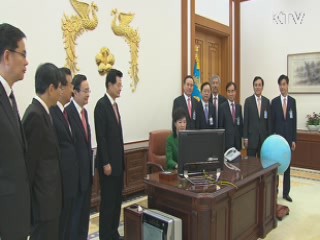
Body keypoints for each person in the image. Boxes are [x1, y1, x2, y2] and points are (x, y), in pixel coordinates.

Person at [22, 63, 62, 240]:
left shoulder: (45, 113)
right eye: (59, 87)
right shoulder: (35, 115)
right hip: (42, 205)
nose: (61, 92)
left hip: (50, 202)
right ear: (51, 88)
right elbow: (29, 166)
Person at [0, 23, 31, 240]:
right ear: (7, 56)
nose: (27, 61)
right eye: (23, 54)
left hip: (15, 215)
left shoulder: (9, 97)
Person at [94, 69, 125, 240]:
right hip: (108, 165)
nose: (121, 88)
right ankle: (105, 235)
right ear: (110, 85)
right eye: (118, 84)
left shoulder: (114, 105)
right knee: (108, 203)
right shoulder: (101, 106)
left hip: (118, 164)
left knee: (117, 201)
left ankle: (114, 232)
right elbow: (101, 137)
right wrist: (105, 162)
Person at [50, 67, 78, 240]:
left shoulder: (64, 113)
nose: (72, 90)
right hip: (61, 185)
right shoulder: (52, 113)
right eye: (70, 85)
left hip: (70, 184)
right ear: (60, 88)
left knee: (68, 227)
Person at [65, 74, 92, 240]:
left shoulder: (85, 113)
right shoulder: (67, 113)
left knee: (84, 219)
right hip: (75, 179)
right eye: (85, 91)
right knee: (73, 221)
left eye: (89, 90)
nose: (88, 94)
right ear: (74, 92)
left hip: (86, 176)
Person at [271, 74, 297, 202]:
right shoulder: (274, 102)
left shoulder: (292, 101)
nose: (282, 87)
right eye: (280, 84)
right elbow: (271, 122)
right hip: (277, 141)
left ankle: (286, 193)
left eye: (284, 84)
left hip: (288, 141)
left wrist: (294, 140)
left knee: (287, 167)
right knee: (276, 167)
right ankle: (274, 190)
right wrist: (272, 139)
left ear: (287, 85)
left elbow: (294, 122)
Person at [243, 76, 271, 157]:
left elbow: (269, 122)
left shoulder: (267, 101)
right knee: (251, 164)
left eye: (259, 85)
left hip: (263, 139)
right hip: (251, 139)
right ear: (253, 87)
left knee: (261, 163)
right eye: (256, 85)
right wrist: (245, 137)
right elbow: (246, 121)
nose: (257, 87)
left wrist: (269, 138)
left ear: (262, 87)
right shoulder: (248, 101)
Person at [218, 82, 243, 151]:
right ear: (226, 93)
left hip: (237, 143)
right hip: (226, 144)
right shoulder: (222, 107)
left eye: (232, 91)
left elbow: (240, 126)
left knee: (237, 162)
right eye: (229, 91)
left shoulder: (239, 107)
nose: (231, 94)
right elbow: (221, 127)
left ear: (235, 92)